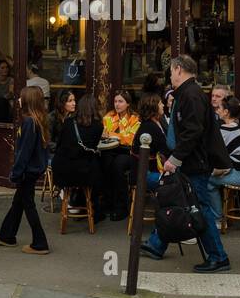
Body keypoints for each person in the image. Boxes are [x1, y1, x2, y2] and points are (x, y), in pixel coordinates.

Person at [141, 55, 232, 273]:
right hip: (191, 160)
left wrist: (175, 158)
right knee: (175, 201)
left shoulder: (191, 95)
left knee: (198, 209)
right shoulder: (188, 93)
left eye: (171, 72)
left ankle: (218, 257)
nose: (170, 76)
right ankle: (157, 244)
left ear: (179, 70)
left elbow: (193, 131)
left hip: (194, 162)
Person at [0, 86, 50, 254]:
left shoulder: (29, 122)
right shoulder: (38, 120)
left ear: (28, 101)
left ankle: (40, 243)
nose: (18, 100)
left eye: (21, 97)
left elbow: (24, 152)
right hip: (33, 170)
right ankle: (6, 235)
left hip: (27, 171)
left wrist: (16, 173)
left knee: (28, 205)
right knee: (19, 203)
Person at [208, 95, 240, 222]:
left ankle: (217, 219)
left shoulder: (225, 130)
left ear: (226, 112)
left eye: (219, 108)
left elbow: (215, 154)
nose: (216, 110)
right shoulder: (238, 125)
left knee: (208, 182)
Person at [52, 93, 104, 217]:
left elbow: (59, 145)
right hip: (84, 174)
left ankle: (74, 200)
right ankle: (90, 206)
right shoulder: (98, 126)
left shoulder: (68, 122)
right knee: (98, 165)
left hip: (62, 172)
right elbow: (92, 148)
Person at [101, 89, 140, 221]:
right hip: (110, 150)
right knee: (106, 161)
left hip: (128, 152)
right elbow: (103, 134)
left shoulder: (134, 119)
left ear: (128, 103)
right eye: (115, 101)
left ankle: (121, 207)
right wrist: (117, 135)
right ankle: (108, 201)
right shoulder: (109, 116)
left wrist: (113, 134)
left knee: (118, 165)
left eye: (121, 101)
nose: (117, 104)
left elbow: (130, 139)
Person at [137, 93, 169, 190]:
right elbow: (165, 148)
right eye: (160, 103)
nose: (163, 105)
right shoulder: (149, 126)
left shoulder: (159, 121)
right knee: (175, 181)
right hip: (148, 173)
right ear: (153, 107)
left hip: (156, 168)